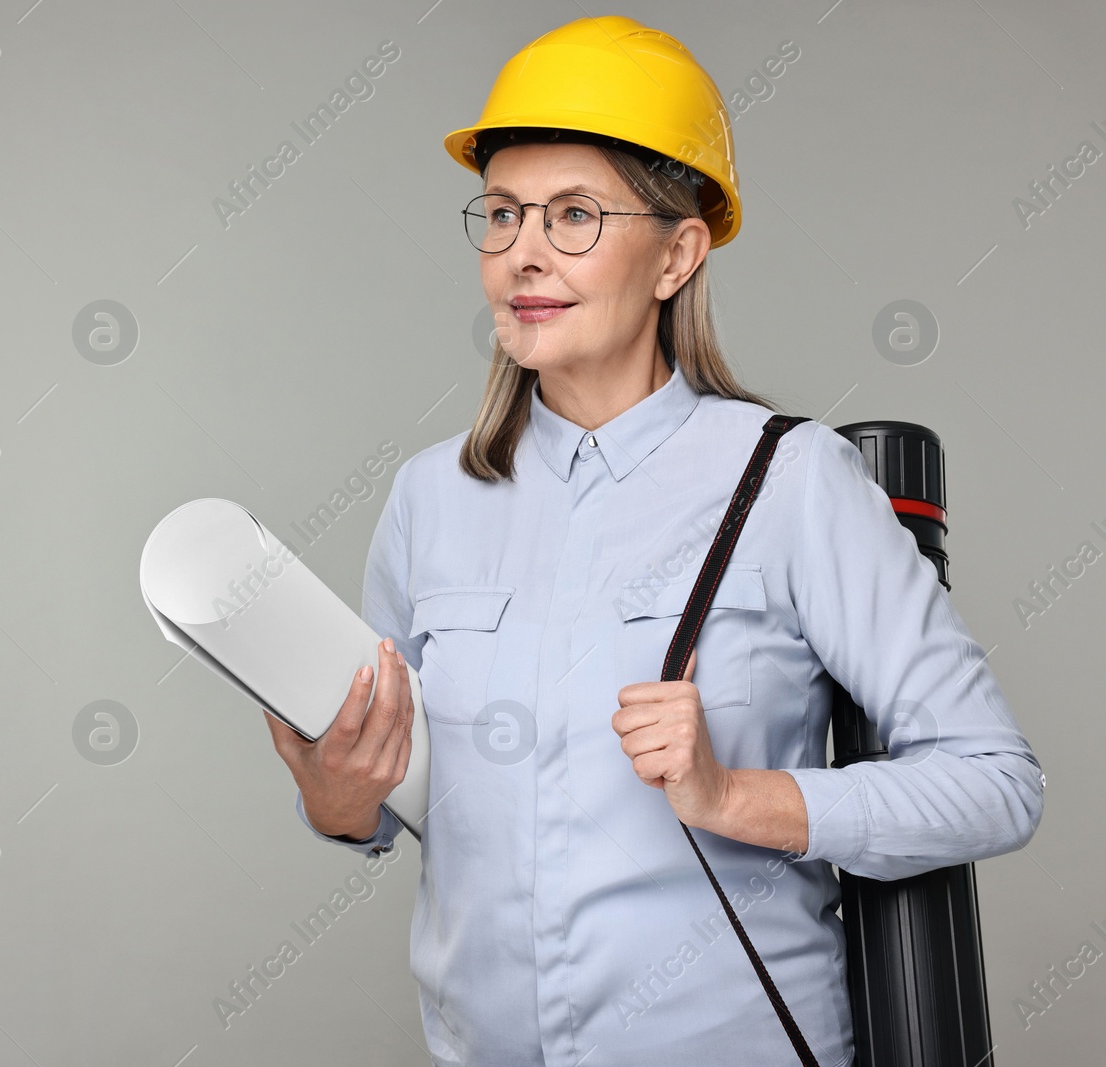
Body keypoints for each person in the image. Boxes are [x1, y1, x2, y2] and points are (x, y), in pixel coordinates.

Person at [260, 15, 1045, 1067]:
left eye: (574, 215)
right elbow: (393, 798)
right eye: (501, 213)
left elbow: (994, 779)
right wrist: (336, 795)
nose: (522, 254)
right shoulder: (427, 498)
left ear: (677, 252)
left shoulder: (791, 478)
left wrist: (737, 796)